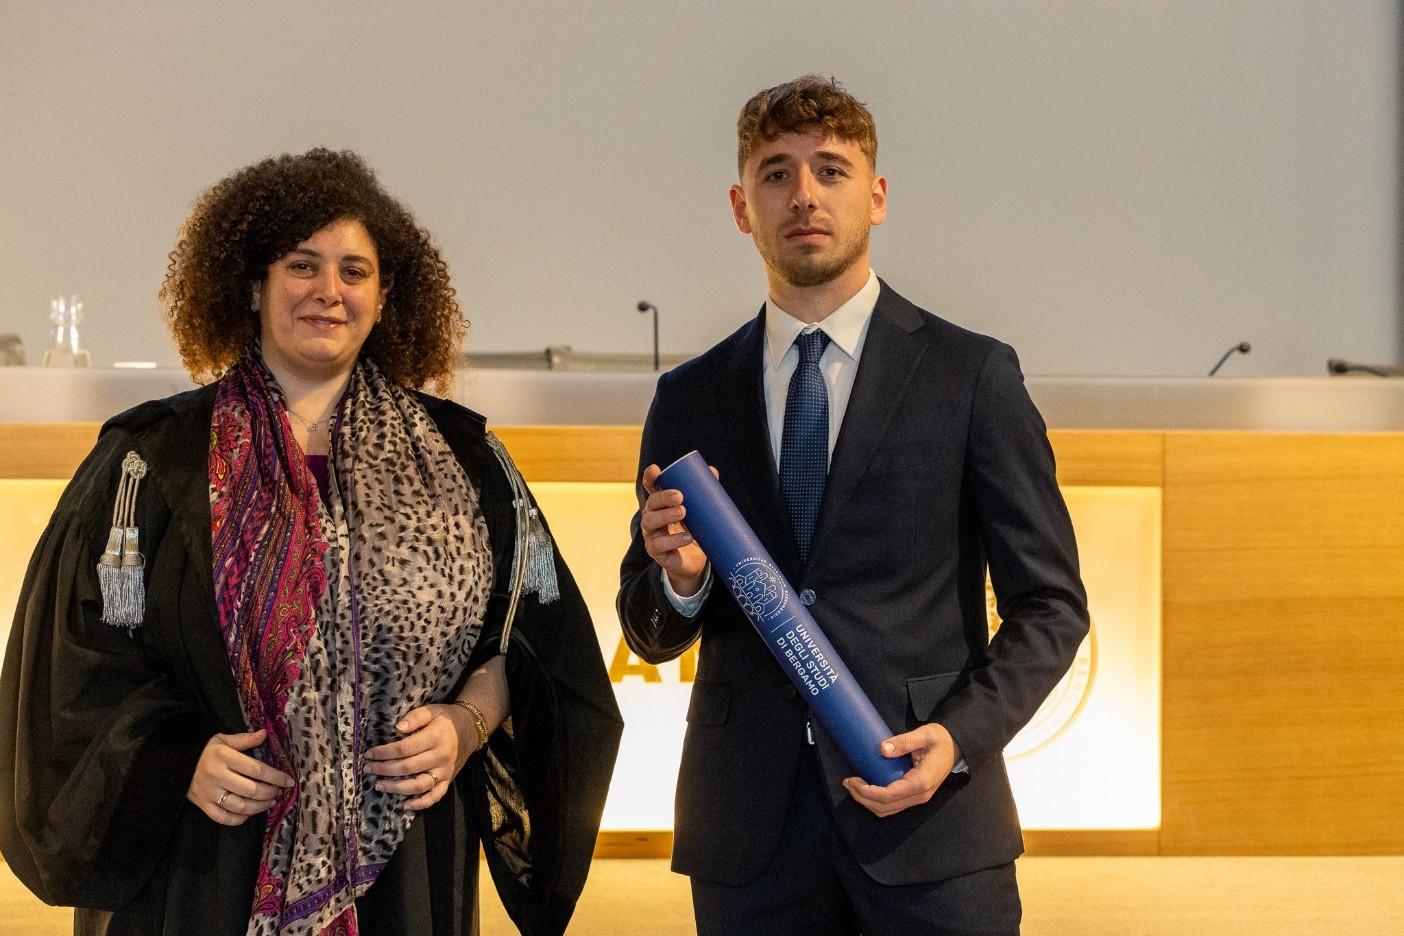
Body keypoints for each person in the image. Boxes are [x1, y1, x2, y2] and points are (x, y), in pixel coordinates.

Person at [0, 148, 622, 936]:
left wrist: (467, 724)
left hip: (404, 863)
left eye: (354, 271)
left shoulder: (465, 462)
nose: (329, 290)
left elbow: (536, 646)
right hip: (202, 862)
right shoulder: (154, 459)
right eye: (302, 265)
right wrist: (174, 758)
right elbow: (68, 669)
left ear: (385, 297)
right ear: (252, 286)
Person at [617, 76, 1089, 935]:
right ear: (741, 207)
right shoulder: (690, 396)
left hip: (929, 818)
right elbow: (647, 629)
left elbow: (1051, 606)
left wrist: (959, 738)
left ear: (876, 197)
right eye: (776, 173)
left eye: (830, 170)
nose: (804, 194)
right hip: (747, 833)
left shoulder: (970, 375)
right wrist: (680, 581)